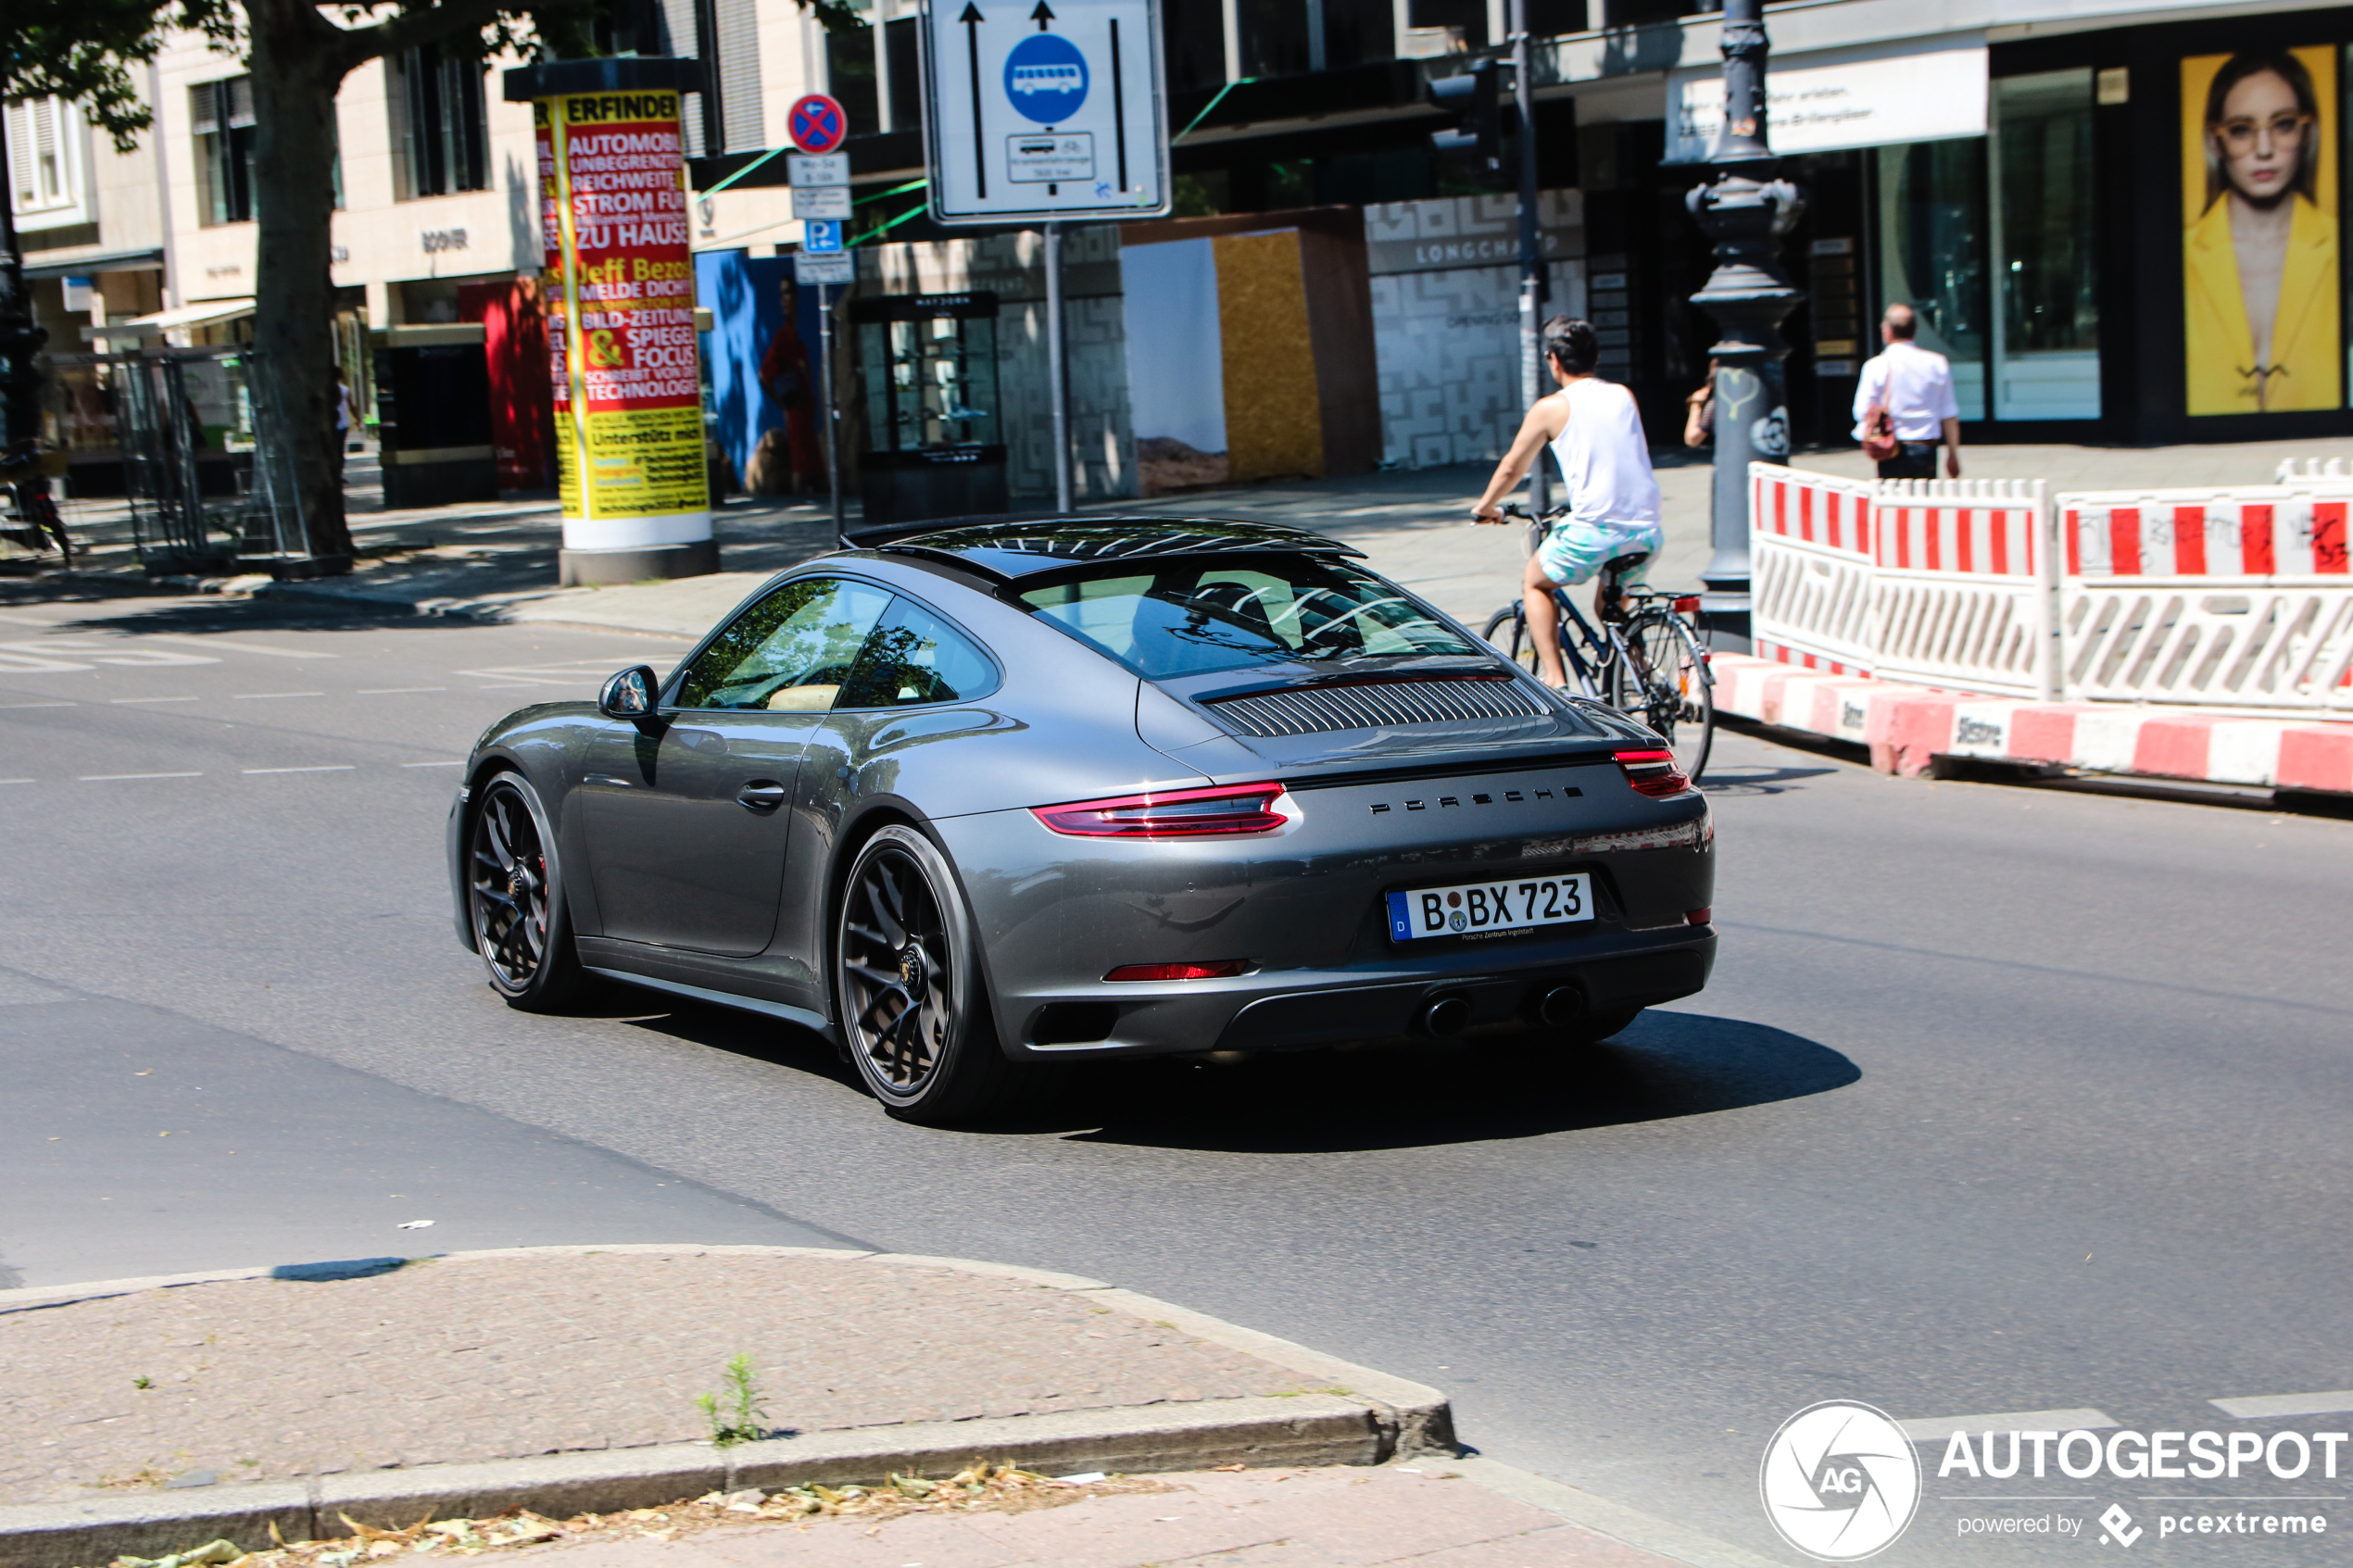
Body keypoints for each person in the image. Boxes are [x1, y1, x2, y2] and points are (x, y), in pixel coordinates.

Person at [1470, 317, 1664, 692]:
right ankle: (1643, 679)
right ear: (1596, 356)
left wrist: (1486, 507)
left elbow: (1513, 466)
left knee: (1536, 581)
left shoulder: (1552, 407)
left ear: (1554, 360)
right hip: (1647, 531)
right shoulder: (1623, 395)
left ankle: (1556, 680)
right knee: (1608, 608)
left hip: (1595, 529)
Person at [2184, 50, 2341, 415]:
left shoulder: (2339, 246)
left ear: (2307, 132)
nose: (2264, 150)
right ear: (2215, 142)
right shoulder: (2178, 256)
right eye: (2241, 130)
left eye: (2282, 124)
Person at [1853, 304, 1960, 480]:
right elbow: (1949, 413)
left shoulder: (1875, 366)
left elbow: (1861, 411)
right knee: (1923, 504)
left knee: (1893, 504)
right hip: (1926, 449)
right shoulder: (1937, 363)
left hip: (1890, 449)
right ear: (1915, 330)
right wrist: (1953, 454)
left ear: (1887, 331)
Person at [756, 276, 829, 494]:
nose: (785, 299)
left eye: (788, 292)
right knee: (801, 468)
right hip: (797, 413)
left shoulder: (797, 340)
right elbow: (764, 376)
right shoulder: (783, 337)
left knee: (816, 474)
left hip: (806, 414)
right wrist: (784, 406)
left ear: (796, 298)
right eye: (782, 293)